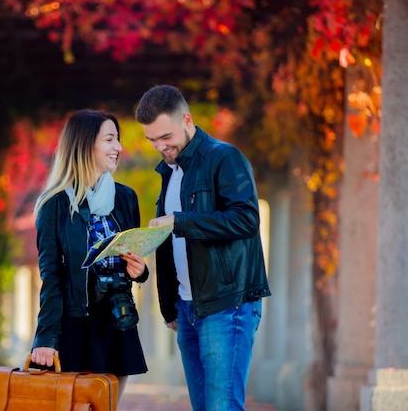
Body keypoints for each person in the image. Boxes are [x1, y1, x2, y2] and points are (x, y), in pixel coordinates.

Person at [135, 85, 271, 411]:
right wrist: (170, 306)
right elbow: (171, 246)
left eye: (165, 136)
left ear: (186, 119)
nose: (160, 147)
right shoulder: (170, 172)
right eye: (152, 140)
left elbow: (246, 220)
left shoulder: (225, 158)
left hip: (227, 305)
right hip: (187, 310)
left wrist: (180, 221)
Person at [30, 109, 149, 401]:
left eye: (117, 140)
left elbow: (131, 256)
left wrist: (140, 270)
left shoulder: (125, 198)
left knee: (106, 407)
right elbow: (52, 277)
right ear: (85, 145)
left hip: (116, 319)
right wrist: (45, 338)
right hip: (75, 324)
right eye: (109, 140)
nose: (118, 148)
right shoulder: (54, 205)